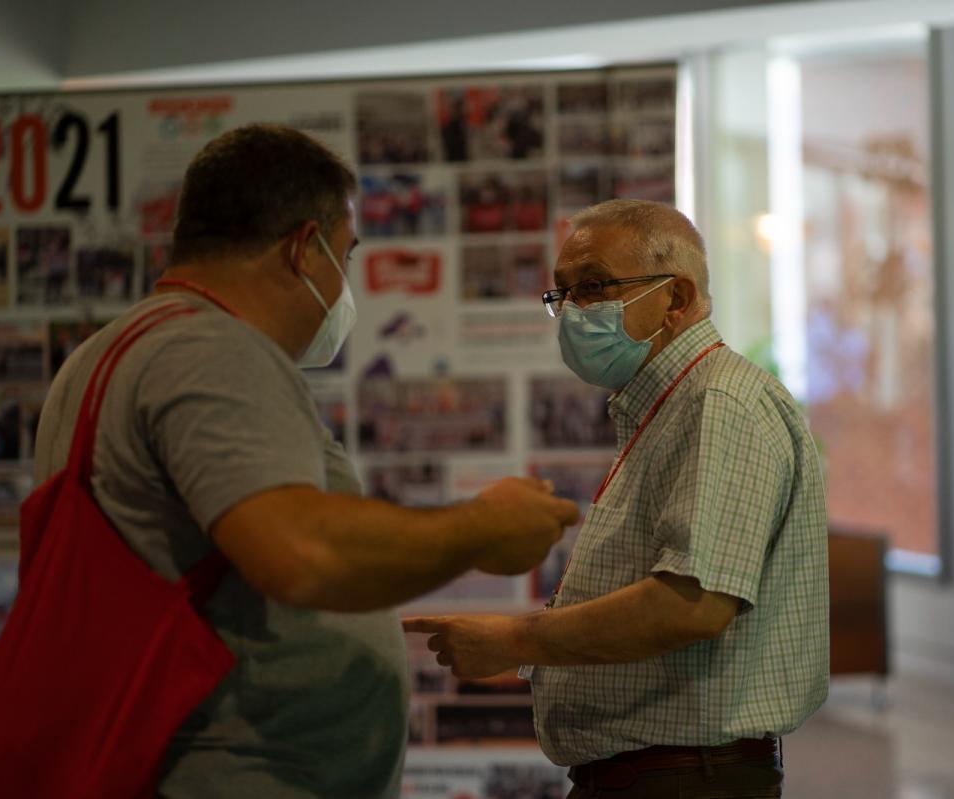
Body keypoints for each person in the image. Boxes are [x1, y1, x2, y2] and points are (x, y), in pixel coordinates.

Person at [32, 124, 578, 798]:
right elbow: (299, 551)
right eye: (345, 256)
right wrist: (481, 528)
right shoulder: (211, 351)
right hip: (227, 771)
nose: (345, 284)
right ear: (301, 248)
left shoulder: (106, 353)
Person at [404, 199, 829, 798]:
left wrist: (510, 640)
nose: (574, 311)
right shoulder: (670, 403)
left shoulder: (720, 403)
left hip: (685, 780)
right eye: (564, 293)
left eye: (596, 286)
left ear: (676, 299)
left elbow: (692, 606)